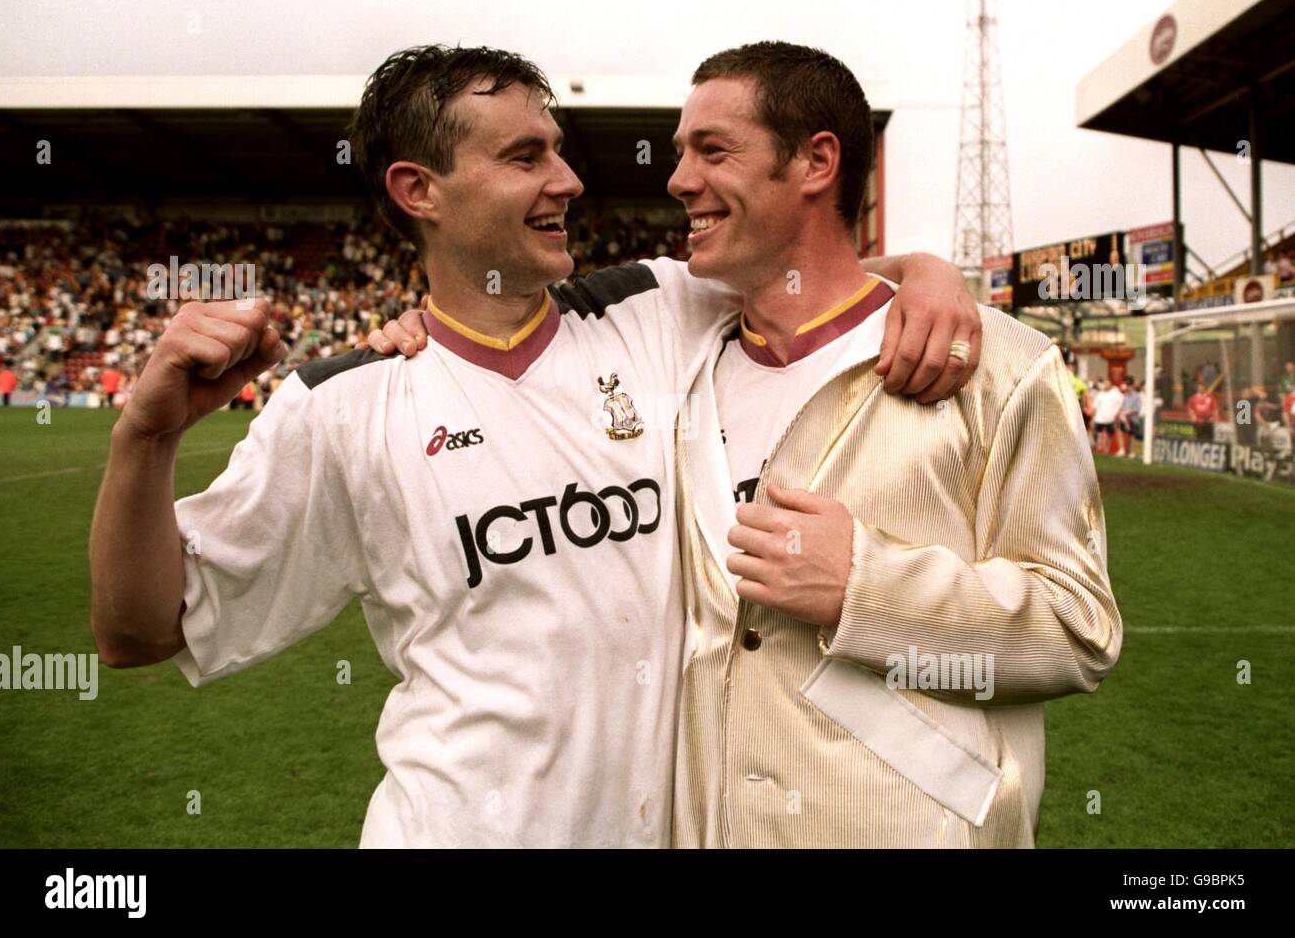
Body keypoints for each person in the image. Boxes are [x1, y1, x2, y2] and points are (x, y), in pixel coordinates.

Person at [89, 45, 974, 849]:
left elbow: (813, 275)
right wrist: (148, 434)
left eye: (555, 148)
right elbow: (140, 630)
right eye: (524, 158)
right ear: (417, 190)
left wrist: (933, 275)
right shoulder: (342, 404)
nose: (569, 180)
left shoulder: (655, 310)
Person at [376, 41, 1120, 848]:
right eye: (678, 153)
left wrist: (867, 586)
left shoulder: (996, 367)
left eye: (712, 150)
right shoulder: (677, 357)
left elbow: (1078, 628)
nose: (678, 180)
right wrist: (435, 333)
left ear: (815, 162)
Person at [1092, 379, 1124, 454]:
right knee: (1096, 432)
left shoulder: (1116, 394)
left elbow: (1122, 404)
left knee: (1109, 434)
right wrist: (1093, 417)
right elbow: (1095, 406)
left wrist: (1118, 413)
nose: (1105, 385)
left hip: (1110, 418)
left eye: (1107, 384)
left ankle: (1106, 450)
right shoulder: (1100, 394)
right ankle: (1097, 446)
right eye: (1105, 384)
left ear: (1111, 385)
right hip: (1099, 418)